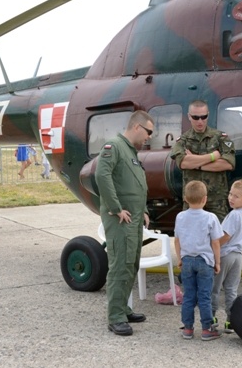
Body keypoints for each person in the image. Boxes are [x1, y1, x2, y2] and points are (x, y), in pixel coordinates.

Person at [94, 110, 154, 337]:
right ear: (137, 127)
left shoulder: (130, 151)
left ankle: (124, 308)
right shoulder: (114, 146)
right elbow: (102, 175)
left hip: (135, 218)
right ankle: (116, 317)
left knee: (132, 263)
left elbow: (136, 184)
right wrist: (115, 208)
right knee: (121, 265)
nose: (149, 137)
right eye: (148, 132)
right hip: (121, 219)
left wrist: (145, 210)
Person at [170, 100, 236, 222]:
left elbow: (228, 163)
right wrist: (212, 156)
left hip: (217, 200)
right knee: (191, 236)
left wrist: (196, 164)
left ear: (208, 115)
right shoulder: (183, 140)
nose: (200, 121)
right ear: (189, 116)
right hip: (192, 199)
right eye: (195, 117)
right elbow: (183, 163)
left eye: (203, 117)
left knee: (219, 237)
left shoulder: (220, 138)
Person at [175, 180, 223, 341]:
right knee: (204, 296)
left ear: (185, 199)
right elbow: (215, 242)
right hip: (205, 261)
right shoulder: (211, 217)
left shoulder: (180, 217)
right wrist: (217, 262)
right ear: (205, 199)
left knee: (189, 295)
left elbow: (177, 240)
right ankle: (206, 329)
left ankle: (188, 329)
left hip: (187, 260)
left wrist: (180, 257)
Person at [211, 179, 242, 332]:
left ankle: (211, 316)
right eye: (230, 194)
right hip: (238, 256)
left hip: (225, 255)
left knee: (214, 288)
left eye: (236, 196)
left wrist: (212, 247)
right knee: (231, 289)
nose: (231, 198)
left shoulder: (234, 215)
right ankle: (231, 320)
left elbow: (225, 236)